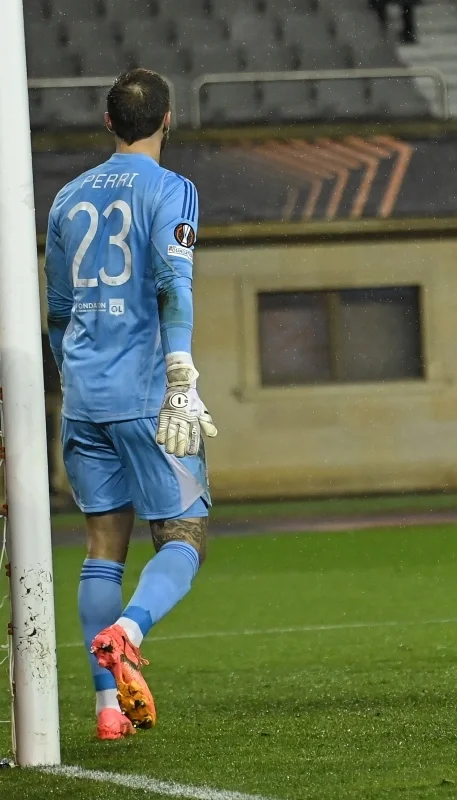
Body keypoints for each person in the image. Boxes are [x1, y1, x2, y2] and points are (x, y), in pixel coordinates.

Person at [44, 68, 218, 741]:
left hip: (83, 396)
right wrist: (180, 376)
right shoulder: (172, 189)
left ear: (109, 123)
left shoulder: (66, 199)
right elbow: (175, 284)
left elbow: (58, 309)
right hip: (147, 395)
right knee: (183, 535)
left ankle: (107, 712)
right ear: (167, 120)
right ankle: (128, 629)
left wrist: (77, 376)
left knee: (101, 547)